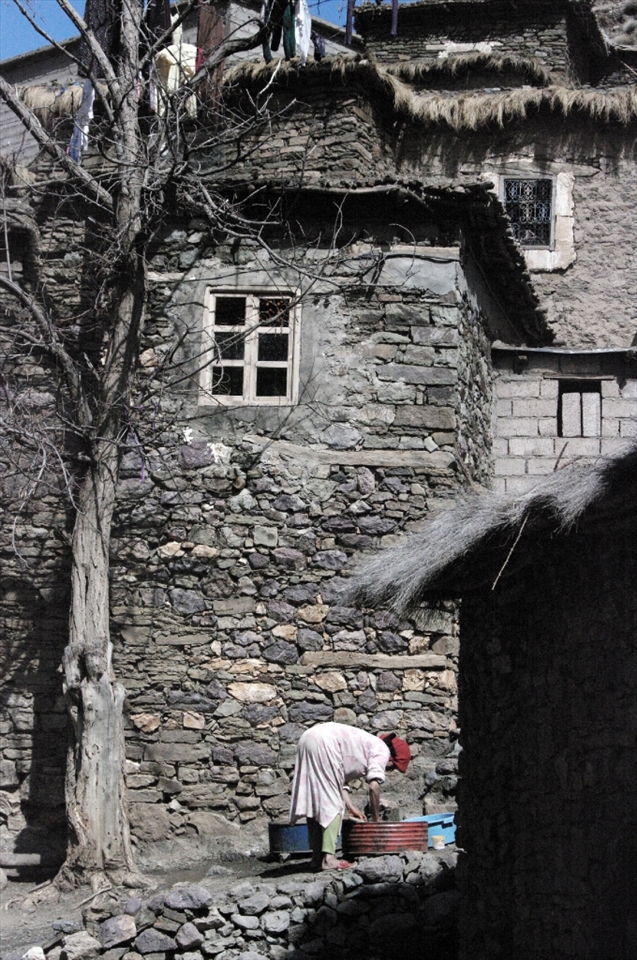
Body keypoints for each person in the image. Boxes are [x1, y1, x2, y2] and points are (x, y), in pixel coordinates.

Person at [289, 721, 411, 871]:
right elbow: (374, 787)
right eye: (394, 767)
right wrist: (376, 821)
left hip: (308, 737)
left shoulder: (367, 744)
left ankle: (316, 858)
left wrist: (351, 806)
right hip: (325, 741)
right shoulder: (382, 750)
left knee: (315, 800)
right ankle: (329, 859)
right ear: (393, 758)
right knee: (333, 803)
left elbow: (339, 781)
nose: (390, 770)